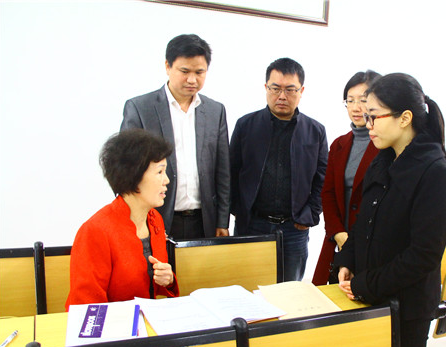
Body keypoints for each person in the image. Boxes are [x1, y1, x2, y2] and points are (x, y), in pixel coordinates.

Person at [333, 73, 446, 347]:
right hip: (372, 293)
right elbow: (363, 222)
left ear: (404, 118)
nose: (368, 124)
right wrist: (347, 260)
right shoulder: (385, 159)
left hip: (408, 306)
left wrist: (365, 284)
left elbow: (423, 256)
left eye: (374, 116)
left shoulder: (435, 173)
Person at [120, 33, 230, 240]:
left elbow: (223, 171)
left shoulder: (215, 111)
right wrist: (136, 220)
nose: (192, 79)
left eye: (199, 72)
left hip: (204, 221)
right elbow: (125, 170)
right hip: (155, 218)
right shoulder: (140, 108)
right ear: (167, 66)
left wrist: (222, 220)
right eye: (184, 71)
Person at [230, 57, 328, 282]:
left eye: (290, 90)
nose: (282, 96)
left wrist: (310, 215)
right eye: (275, 88)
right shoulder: (246, 125)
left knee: (289, 292)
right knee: (247, 287)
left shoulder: (315, 131)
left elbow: (322, 178)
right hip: (252, 226)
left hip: (294, 228)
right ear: (266, 88)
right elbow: (232, 171)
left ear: (301, 91)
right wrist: (240, 210)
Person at [66, 129, 179, 309]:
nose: (166, 180)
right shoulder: (96, 231)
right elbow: (85, 308)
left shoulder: (154, 219)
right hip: (116, 325)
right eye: (160, 172)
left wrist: (168, 280)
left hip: (147, 318)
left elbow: (151, 286)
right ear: (134, 175)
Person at [311, 70, 381, 286]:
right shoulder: (339, 144)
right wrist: (338, 233)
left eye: (363, 100)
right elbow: (328, 193)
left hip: (372, 243)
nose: (356, 107)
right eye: (350, 100)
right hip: (339, 240)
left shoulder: (385, 144)